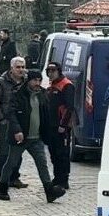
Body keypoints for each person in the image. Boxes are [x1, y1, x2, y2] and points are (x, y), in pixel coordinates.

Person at [0, 70, 67, 203]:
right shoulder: (18, 94)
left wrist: (49, 132)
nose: (37, 83)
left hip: (36, 138)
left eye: (39, 80)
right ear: (28, 81)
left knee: (42, 163)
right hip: (21, 137)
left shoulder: (43, 94)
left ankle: (49, 191)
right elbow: (11, 113)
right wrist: (17, 130)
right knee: (11, 162)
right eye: (35, 80)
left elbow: (46, 115)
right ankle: (2, 187)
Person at [0, 56, 29, 188]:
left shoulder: (26, 82)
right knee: (4, 151)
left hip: (22, 121)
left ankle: (14, 177)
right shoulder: (1, 82)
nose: (21, 70)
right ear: (11, 68)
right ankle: (2, 179)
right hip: (6, 121)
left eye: (23, 67)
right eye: (18, 67)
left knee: (18, 151)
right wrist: (0, 118)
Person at [45, 61, 75, 190]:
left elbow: (69, 108)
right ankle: (57, 177)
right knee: (53, 152)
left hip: (62, 126)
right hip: (51, 125)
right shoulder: (52, 85)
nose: (50, 74)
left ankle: (63, 179)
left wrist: (63, 124)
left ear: (59, 71)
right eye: (49, 71)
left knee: (62, 153)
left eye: (53, 71)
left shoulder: (66, 85)